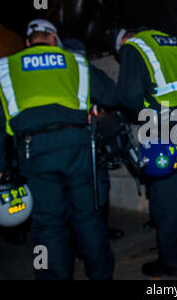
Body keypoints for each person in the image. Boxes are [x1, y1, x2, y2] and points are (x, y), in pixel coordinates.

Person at [0, 19, 117, 280]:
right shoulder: (75, 62)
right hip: (77, 147)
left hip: (34, 152)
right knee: (88, 218)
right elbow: (110, 95)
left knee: (47, 226)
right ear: (55, 39)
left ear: (28, 42)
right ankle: (101, 275)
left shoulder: (4, 68)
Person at [115, 28, 177, 276]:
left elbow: (129, 97)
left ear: (123, 40)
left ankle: (171, 261)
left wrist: (149, 115)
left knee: (166, 195)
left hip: (164, 126)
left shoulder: (133, 47)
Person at [63, 38, 124, 240]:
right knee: (96, 184)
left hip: (47, 145)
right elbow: (110, 94)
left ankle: (75, 235)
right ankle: (96, 234)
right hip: (82, 139)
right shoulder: (82, 68)